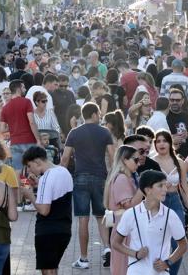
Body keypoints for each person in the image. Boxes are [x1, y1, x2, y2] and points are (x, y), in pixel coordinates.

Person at [61, 102, 115, 269]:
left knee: (83, 218)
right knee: (101, 216)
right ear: (93, 114)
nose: (100, 116)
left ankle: (83, 259)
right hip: (100, 178)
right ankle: (107, 248)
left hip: (80, 178)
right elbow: (113, 157)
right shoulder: (105, 132)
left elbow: (65, 159)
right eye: (98, 113)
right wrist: (112, 178)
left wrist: (60, 178)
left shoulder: (74, 133)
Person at [112, 170, 188, 275]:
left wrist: (168, 262)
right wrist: (136, 254)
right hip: (135, 271)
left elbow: (183, 245)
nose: (165, 189)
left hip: (160, 272)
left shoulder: (171, 215)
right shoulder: (130, 214)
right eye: (160, 186)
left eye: (165, 185)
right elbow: (115, 243)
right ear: (148, 190)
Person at [21, 146, 74, 275]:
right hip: (64, 229)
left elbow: (44, 210)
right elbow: (57, 193)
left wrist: (30, 196)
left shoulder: (47, 177)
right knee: (53, 267)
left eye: (29, 165)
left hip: (48, 231)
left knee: (48, 270)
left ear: (38, 162)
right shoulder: (63, 171)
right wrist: (39, 184)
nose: (29, 170)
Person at [151, 131, 188, 275]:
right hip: (157, 204)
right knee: (157, 241)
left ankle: (171, 272)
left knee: (178, 241)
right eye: (158, 141)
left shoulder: (179, 162)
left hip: (175, 202)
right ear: (155, 144)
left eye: (164, 141)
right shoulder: (152, 161)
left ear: (170, 143)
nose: (161, 144)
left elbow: (185, 190)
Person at [105, 145, 145, 273]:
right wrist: (144, 187)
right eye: (135, 160)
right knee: (123, 266)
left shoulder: (127, 177)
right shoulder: (122, 178)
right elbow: (130, 205)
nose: (138, 163)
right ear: (124, 160)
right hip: (124, 227)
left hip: (124, 225)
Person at [0, 80, 40, 177]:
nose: (25, 89)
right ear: (18, 89)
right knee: (32, 169)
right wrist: (38, 139)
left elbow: (2, 129)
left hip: (15, 142)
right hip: (29, 140)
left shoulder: (5, 108)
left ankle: (19, 191)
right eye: (23, 87)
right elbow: (32, 122)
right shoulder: (26, 102)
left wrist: (14, 126)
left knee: (18, 170)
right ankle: (31, 189)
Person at [166, 88, 188, 158]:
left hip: (184, 156)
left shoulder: (185, 115)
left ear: (183, 101)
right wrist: (172, 139)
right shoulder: (165, 116)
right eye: (172, 100)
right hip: (169, 157)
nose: (174, 102)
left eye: (177, 100)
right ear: (169, 100)